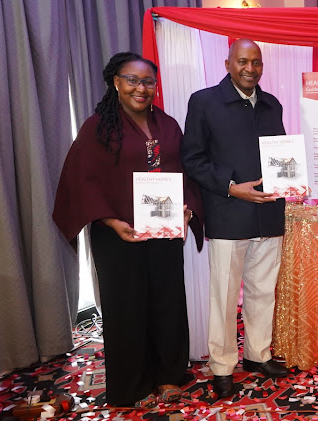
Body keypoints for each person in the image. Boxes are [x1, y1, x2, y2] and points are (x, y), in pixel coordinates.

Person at [53, 52, 204, 407]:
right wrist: (110, 221)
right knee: (127, 310)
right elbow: (82, 181)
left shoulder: (168, 125)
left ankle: (168, 375)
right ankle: (132, 387)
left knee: (167, 305)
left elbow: (186, 171)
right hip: (119, 236)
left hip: (163, 234)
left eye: (148, 81)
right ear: (116, 82)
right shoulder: (98, 127)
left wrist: (187, 210)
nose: (141, 88)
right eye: (132, 80)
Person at [182, 39, 288, 398]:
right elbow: (193, 159)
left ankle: (258, 355)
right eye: (243, 61)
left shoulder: (273, 104)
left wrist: (291, 178)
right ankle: (222, 366)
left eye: (256, 62)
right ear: (228, 64)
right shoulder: (204, 102)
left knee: (262, 292)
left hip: (270, 214)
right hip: (228, 214)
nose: (250, 68)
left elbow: (282, 157)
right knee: (224, 297)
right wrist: (231, 187)